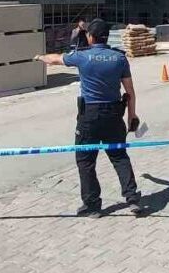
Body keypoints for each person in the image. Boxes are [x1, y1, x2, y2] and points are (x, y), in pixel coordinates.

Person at [36, 19, 146, 217]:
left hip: (90, 116)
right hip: (114, 114)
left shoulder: (82, 57)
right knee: (119, 157)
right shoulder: (119, 58)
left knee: (85, 160)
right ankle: (132, 199)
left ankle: (93, 205)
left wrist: (39, 57)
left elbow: (55, 59)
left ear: (90, 37)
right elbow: (130, 91)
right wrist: (132, 114)